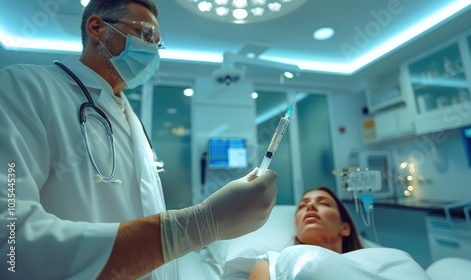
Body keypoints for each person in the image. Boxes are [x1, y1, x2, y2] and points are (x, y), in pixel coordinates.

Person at [0, 1, 278, 279]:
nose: (153, 50)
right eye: (146, 34)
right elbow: (9, 241)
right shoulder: (26, 87)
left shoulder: (129, 118)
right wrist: (198, 225)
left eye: (158, 43)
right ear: (97, 28)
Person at [248, 187, 430, 280]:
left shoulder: (380, 257)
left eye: (324, 203)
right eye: (302, 206)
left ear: (345, 228)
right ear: (297, 226)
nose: (310, 206)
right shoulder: (271, 263)